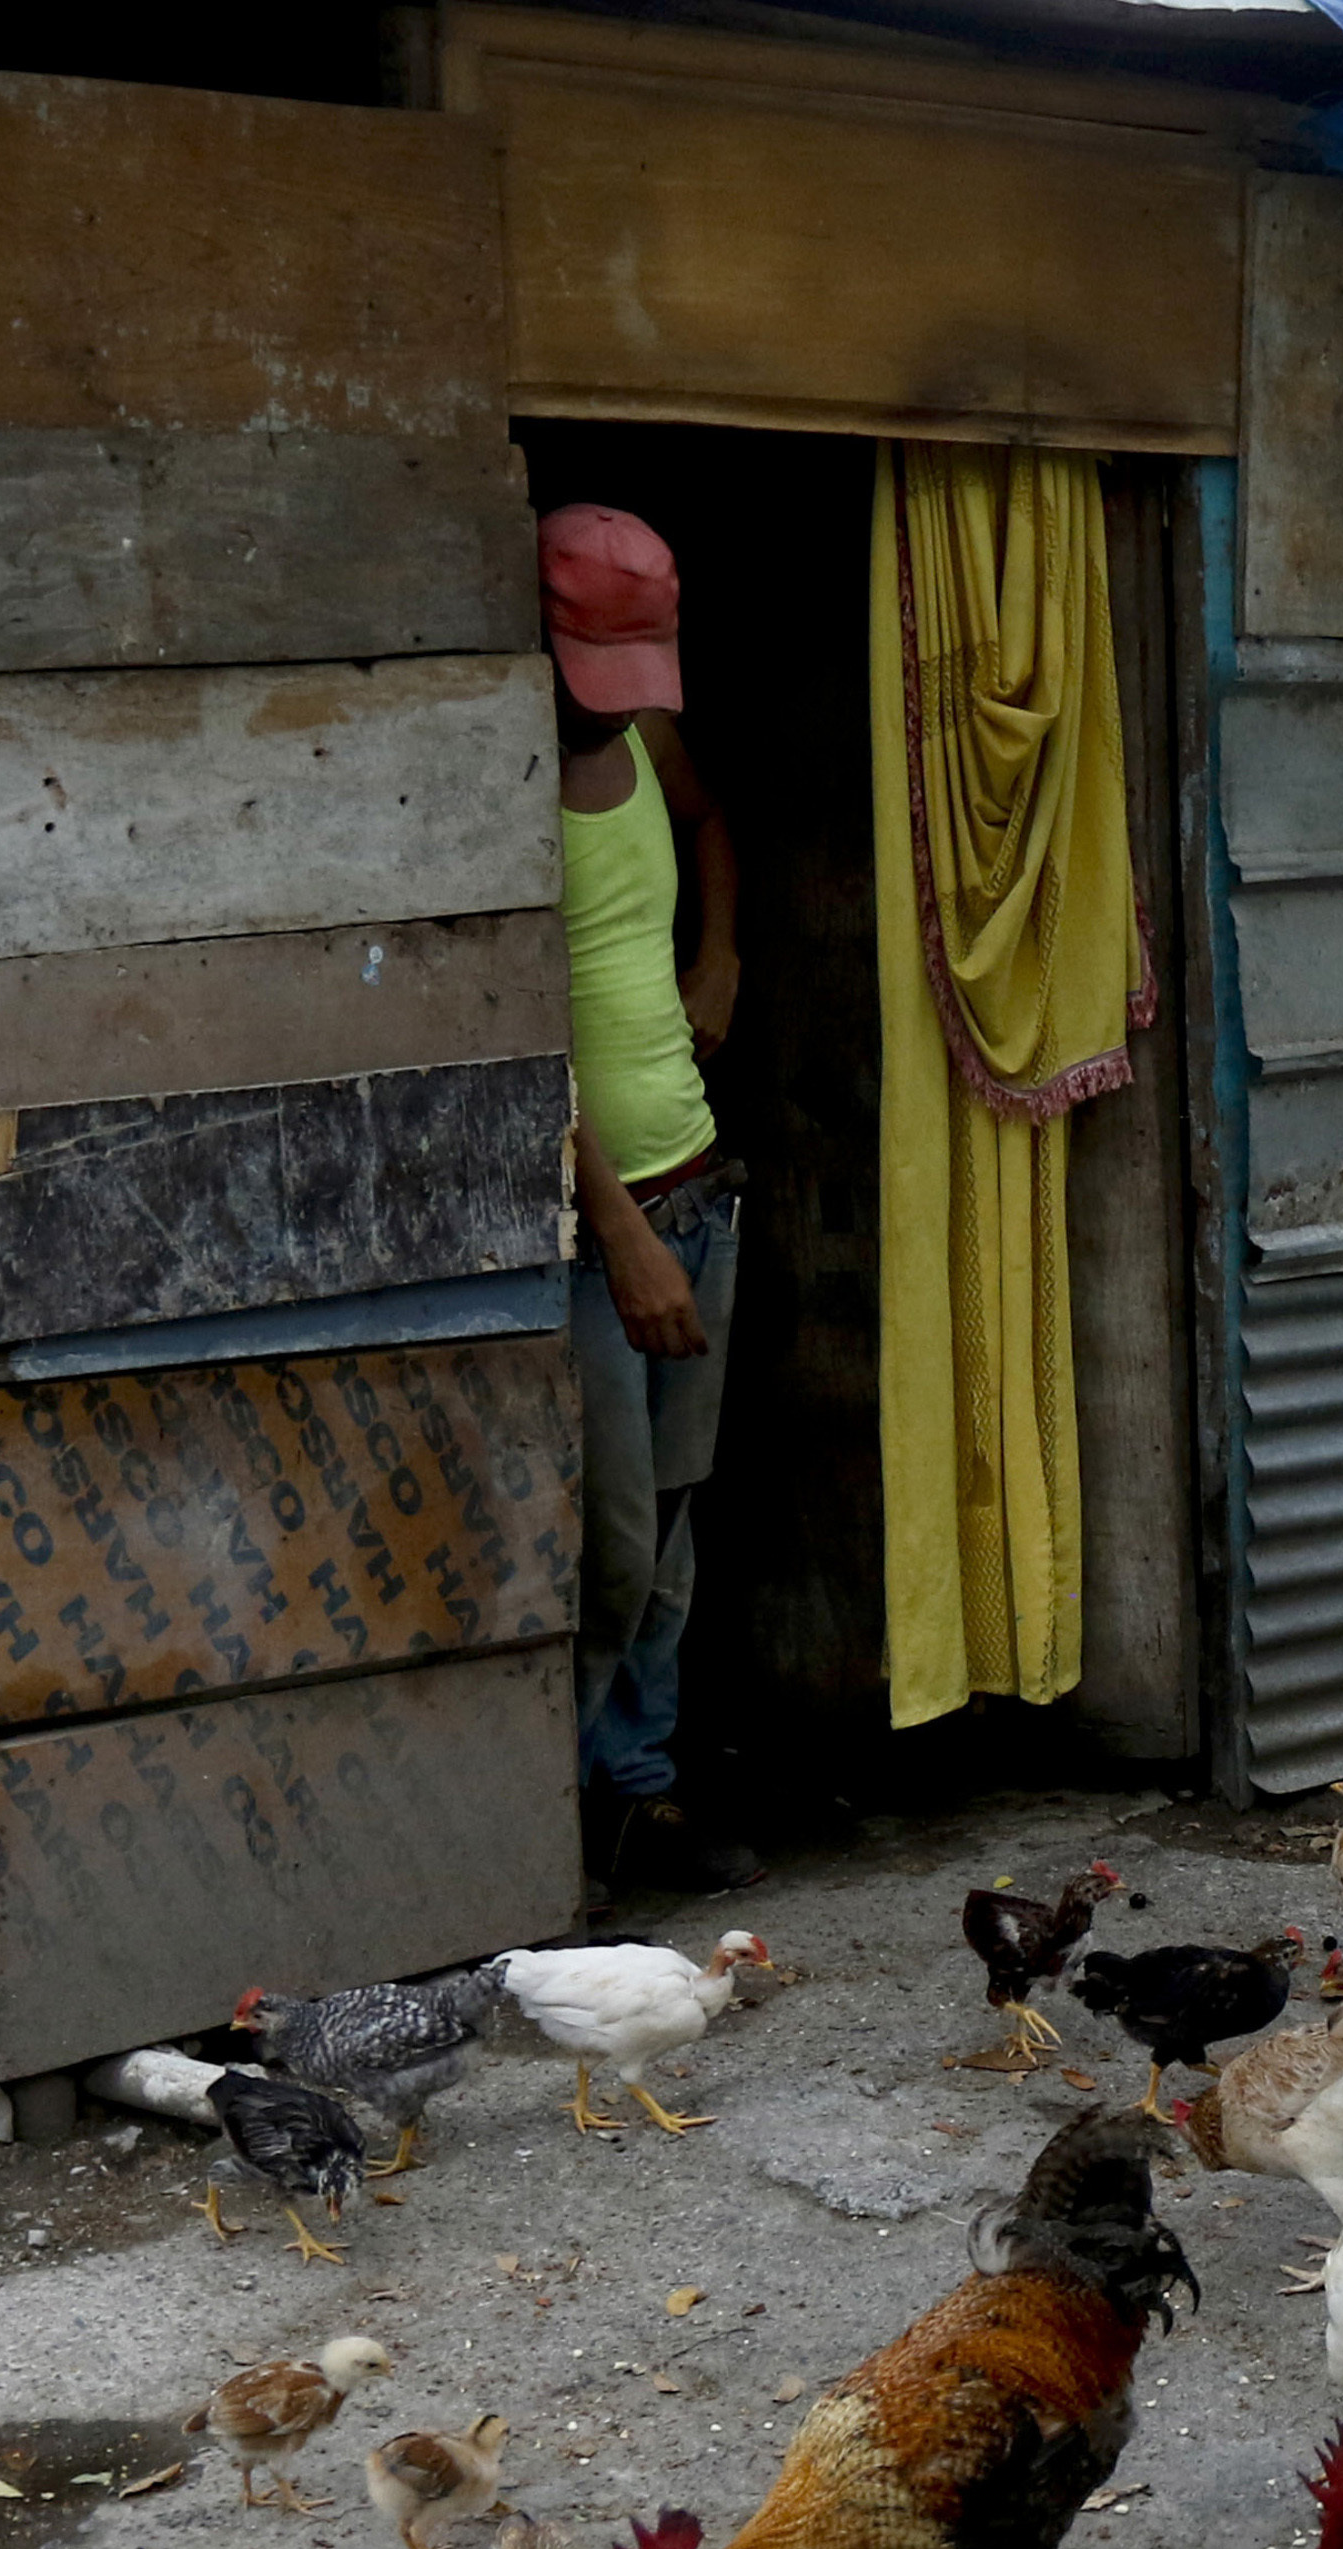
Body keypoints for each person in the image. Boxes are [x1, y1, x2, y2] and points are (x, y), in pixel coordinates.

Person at [548, 502, 763, 1907]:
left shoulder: (643, 740)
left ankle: (640, 1792)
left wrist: (719, 951)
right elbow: (502, 1036)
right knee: (610, 1544)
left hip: (695, 1183)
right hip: (596, 1228)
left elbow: (706, 821)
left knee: (672, 1531)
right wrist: (619, 1231)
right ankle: (550, 1818)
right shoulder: (487, 777)